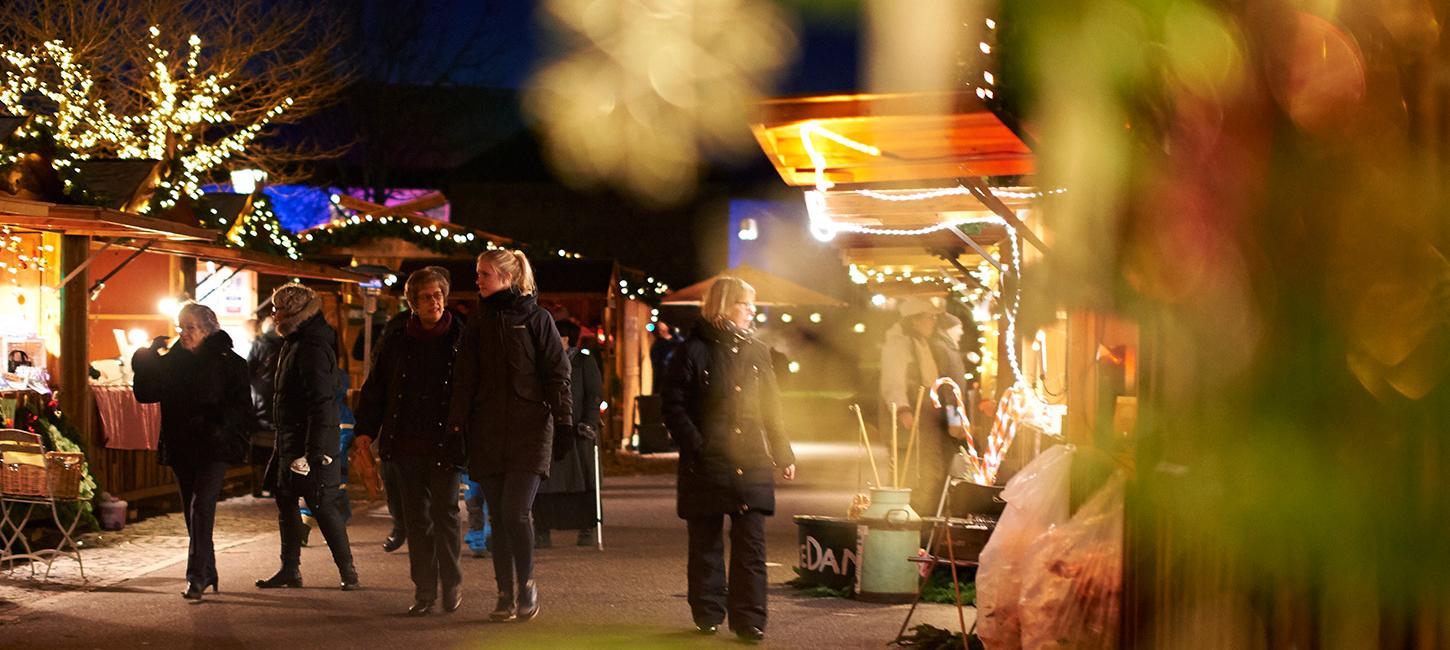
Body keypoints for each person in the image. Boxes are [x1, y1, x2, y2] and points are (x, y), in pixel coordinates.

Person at [660, 277, 796, 644]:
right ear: (724, 306)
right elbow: (673, 405)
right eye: (745, 304)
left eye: (752, 304)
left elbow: (772, 407)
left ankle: (749, 619)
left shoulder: (757, 352)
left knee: (751, 544)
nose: (752, 310)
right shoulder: (692, 352)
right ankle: (707, 611)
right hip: (707, 461)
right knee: (705, 542)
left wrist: (782, 451)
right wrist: (697, 445)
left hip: (750, 458)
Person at [448, 248, 572, 623]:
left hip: (529, 430)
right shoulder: (477, 324)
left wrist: (564, 421)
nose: (478, 280)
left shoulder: (536, 318)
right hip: (487, 431)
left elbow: (557, 372)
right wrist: (456, 426)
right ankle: (505, 593)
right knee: (498, 518)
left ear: (507, 277)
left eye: (484, 273)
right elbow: (464, 381)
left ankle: (527, 584)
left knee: (515, 512)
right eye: (478, 273)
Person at [355, 267, 467, 616]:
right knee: (417, 519)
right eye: (426, 296)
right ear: (412, 302)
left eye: (438, 295)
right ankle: (425, 590)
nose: (434, 302)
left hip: (445, 441)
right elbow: (377, 386)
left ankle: (451, 582)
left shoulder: (462, 336)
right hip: (405, 441)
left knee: (445, 513)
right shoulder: (397, 336)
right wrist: (365, 431)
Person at [131, 302, 252, 601]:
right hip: (181, 443)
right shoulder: (173, 362)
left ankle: (196, 577)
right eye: (181, 327)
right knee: (190, 510)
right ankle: (208, 570)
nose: (184, 334)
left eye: (191, 328)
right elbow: (146, 394)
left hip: (215, 445)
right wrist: (146, 359)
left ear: (208, 330)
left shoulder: (230, 363)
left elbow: (242, 408)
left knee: (201, 506)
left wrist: (215, 423)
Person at [255, 283, 359, 591]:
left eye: (278, 309)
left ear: (293, 312)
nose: (273, 315)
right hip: (290, 439)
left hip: (309, 442)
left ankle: (348, 571)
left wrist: (315, 452)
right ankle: (290, 568)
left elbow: (321, 402)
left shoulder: (310, 345)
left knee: (321, 503)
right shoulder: (295, 340)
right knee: (286, 500)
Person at [879, 297, 956, 514]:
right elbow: (893, 382)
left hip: (929, 419)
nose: (932, 322)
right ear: (913, 321)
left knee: (931, 472)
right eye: (928, 318)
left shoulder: (925, 344)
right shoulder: (898, 345)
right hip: (912, 421)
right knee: (912, 474)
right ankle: (909, 519)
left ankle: (921, 520)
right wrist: (903, 410)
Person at [533, 319, 604, 549]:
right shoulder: (544, 362)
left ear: (566, 339)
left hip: (577, 431)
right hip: (551, 430)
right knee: (546, 482)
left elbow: (594, 394)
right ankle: (543, 530)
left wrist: (589, 422)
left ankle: (586, 528)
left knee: (583, 480)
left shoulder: (584, 362)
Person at [246, 314, 284, 498]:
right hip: (280, 399)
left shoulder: (259, 345)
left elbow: (249, 370)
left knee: (261, 446)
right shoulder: (288, 344)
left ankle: (260, 485)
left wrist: (258, 386)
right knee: (277, 444)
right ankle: (275, 484)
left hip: (262, 399)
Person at [650, 321, 681, 389]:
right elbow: (659, 364)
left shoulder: (674, 341)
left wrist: (676, 334)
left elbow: (684, 344)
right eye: (662, 328)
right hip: (665, 379)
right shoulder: (658, 346)